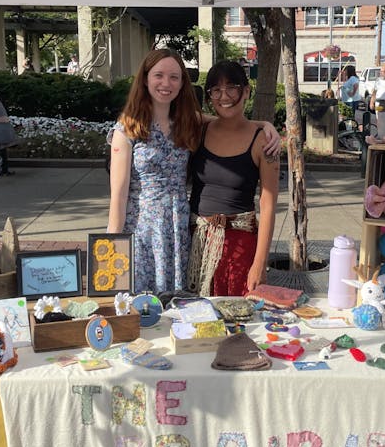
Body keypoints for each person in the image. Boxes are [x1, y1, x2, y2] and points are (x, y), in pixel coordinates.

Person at [107, 49, 280, 295]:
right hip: (142, 230)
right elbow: (118, 197)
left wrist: (265, 125)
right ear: (145, 79)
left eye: (174, 77)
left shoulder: (187, 122)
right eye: (158, 75)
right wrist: (112, 248)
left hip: (180, 230)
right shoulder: (127, 129)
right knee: (137, 307)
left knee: (178, 309)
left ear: (182, 83)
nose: (166, 83)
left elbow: (228, 118)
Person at [187, 61, 279, 296]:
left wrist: (259, 263)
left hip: (239, 246)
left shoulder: (263, 142)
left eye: (232, 88)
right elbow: (174, 114)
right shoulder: (199, 129)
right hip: (195, 241)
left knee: (238, 321)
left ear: (246, 91)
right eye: (216, 90)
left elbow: (267, 206)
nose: (224, 96)